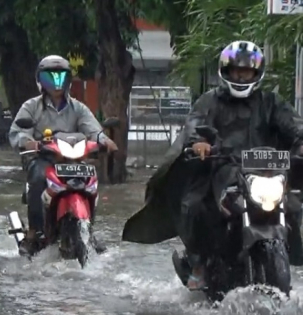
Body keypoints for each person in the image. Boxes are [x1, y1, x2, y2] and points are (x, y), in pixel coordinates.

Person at [122, 40, 303, 290]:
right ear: (226, 72)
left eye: (247, 71)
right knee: (194, 206)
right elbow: (195, 123)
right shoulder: (210, 101)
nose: (241, 76)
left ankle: (291, 252)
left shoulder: (271, 102)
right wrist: (199, 142)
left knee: (293, 203)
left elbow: (295, 126)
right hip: (222, 170)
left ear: (256, 73)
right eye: (237, 71)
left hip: (266, 173)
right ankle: (199, 263)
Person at [8, 55, 118, 256]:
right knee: (38, 177)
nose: (56, 84)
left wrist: (105, 140)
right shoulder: (31, 107)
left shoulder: (78, 108)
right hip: (43, 159)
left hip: (73, 159)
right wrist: (29, 142)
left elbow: (93, 129)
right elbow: (17, 132)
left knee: (90, 181)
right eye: (51, 79)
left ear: (67, 81)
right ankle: (35, 232)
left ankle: (88, 229)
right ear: (41, 81)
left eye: (61, 78)